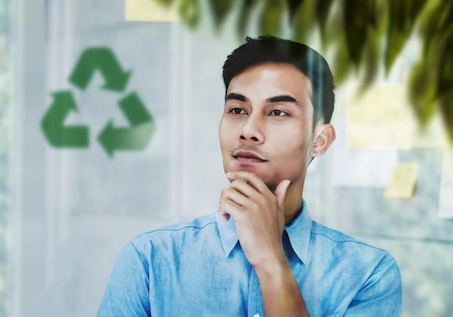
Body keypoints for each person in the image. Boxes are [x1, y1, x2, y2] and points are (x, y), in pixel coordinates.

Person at [97, 36, 402, 316]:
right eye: (238, 110)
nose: (248, 131)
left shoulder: (368, 274)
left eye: (278, 112)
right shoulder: (151, 260)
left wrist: (271, 260)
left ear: (319, 140)